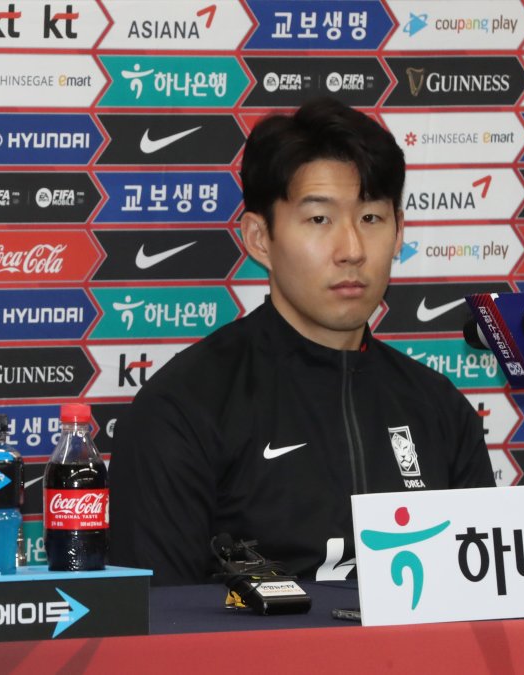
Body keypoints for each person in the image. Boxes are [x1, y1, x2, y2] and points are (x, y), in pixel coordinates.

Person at [108, 98, 495, 585]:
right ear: (259, 238)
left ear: (399, 232)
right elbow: (154, 617)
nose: (351, 250)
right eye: (319, 220)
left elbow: (482, 599)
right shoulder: (183, 410)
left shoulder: (440, 410)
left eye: (371, 218)